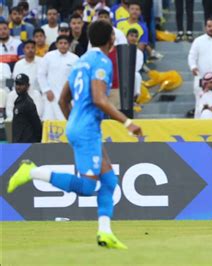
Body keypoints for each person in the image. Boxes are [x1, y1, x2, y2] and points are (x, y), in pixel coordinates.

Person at [7, 20, 143, 249]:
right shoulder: (101, 61)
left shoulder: (81, 61)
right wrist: (127, 122)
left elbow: (63, 99)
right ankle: (33, 171)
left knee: (109, 181)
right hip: (87, 129)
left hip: (80, 125)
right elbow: (100, 99)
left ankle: (105, 232)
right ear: (110, 39)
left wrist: (75, 124)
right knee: (88, 187)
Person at [188, 17, 212, 118]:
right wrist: (193, 67)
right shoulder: (198, 41)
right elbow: (191, 56)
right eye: (209, 26)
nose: (211, 28)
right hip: (202, 78)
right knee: (200, 105)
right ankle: (199, 129)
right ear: (205, 27)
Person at [39, 35, 79, 120]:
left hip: (67, 96)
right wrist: (46, 90)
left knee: (67, 120)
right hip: (51, 95)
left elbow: (77, 78)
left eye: (65, 43)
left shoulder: (75, 58)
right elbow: (41, 74)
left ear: (69, 45)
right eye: (60, 43)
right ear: (56, 45)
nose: (63, 45)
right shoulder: (48, 56)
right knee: (49, 121)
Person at [10, 73, 42, 143]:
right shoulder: (18, 100)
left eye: (21, 84)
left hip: (26, 145)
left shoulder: (28, 103)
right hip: (17, 143)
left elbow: (37, 125)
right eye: (17, 84)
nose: (18, 87)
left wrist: (35, 143)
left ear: (28, 86)